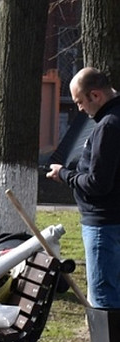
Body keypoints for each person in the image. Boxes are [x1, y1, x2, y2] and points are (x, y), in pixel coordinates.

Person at [47, 67, 120, 308]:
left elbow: (98, 183)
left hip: (104, 225)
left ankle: (106, 335)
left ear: (95, 95)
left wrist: (64, 174)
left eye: (80, 101)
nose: (79, 108)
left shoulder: (108, 125)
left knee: (103, 299)